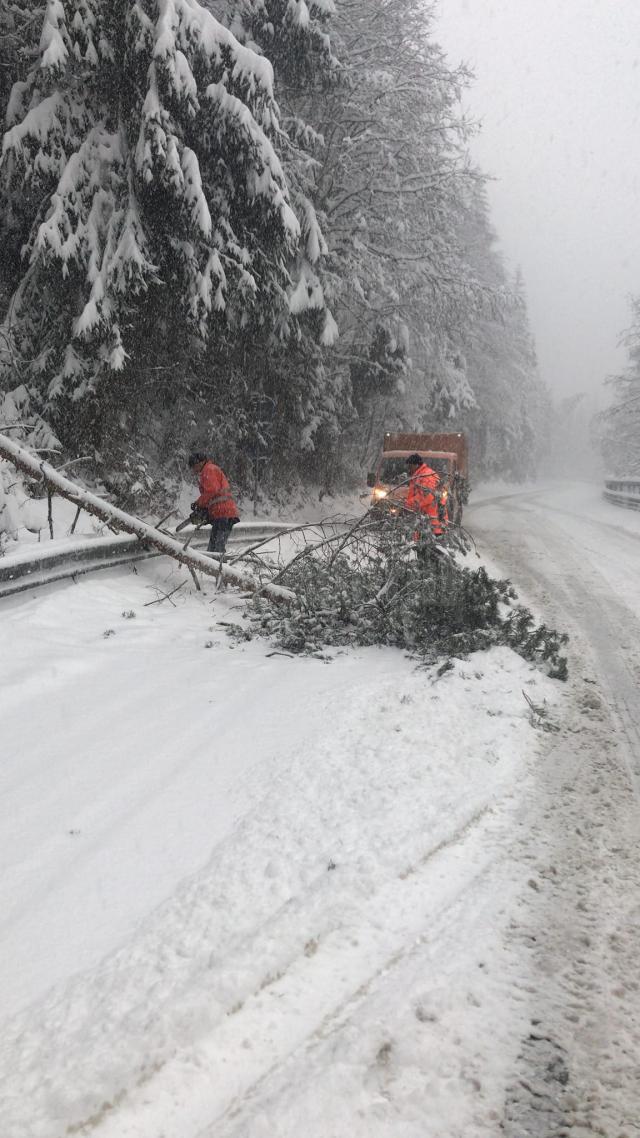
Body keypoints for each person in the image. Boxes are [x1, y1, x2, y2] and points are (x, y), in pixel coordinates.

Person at [188, 452, 240, 554]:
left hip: (224, 512)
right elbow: (214, 495)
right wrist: (207, 510)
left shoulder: (209, 470)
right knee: (213, 548)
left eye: (194, 467)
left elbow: (212, 491)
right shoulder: (209, 469)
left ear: (199, 463)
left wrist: (198, 504)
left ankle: (219, 568)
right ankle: (211, 567)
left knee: (217, 549)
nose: (194, 470)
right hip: (221, 512)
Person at [404, 452, 445, 538]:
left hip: (432, 522)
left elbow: (427, 496)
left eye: (410, 466)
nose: (409, 469)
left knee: (429, 550)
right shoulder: (420, 475)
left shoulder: (426, 476)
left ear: (416, 465)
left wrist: (407, 504)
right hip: (426, 521)